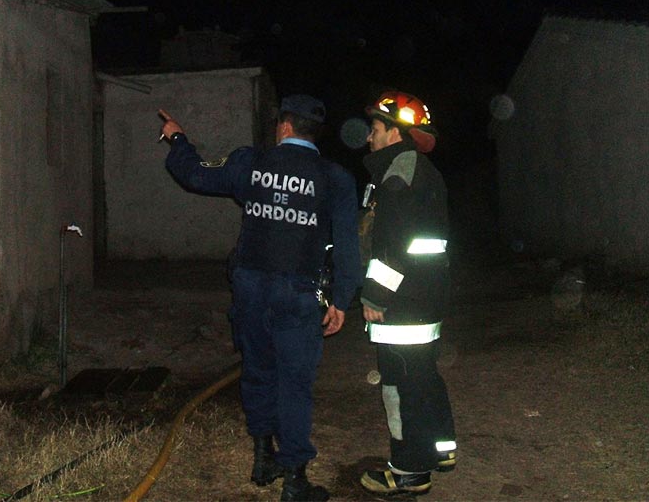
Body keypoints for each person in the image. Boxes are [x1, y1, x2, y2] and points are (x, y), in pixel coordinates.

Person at [158, 95, 361, 502]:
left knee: (259, 371)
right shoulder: (334, 177)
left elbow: (194, 175)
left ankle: (262, 457)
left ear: (284, 127)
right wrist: (342, 299)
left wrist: (177, 138)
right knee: (294, 382)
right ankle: (294, 479)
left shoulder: (250, 162)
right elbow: (347, 245)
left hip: (250, 289)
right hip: (297, 294)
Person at [357, 91, 457, 496]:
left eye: (375, 129)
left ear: (395, 133)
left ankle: (410, 470)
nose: (368, 138)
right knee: (423, 376)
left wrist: (374, 296)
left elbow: (394, 244)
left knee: (400, 386)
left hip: (402, 301)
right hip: (424, 297)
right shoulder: (421, 170)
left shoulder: (399, 173)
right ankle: (440, 449)